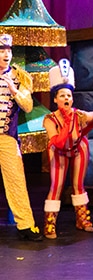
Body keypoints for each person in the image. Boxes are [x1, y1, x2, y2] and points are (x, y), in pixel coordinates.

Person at [42, 59, 93, 239]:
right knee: (57, 185)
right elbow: (58, 142)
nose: (66, 98)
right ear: (55, 99)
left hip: (78, 148)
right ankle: (50, 222)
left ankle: (81, 219)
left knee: (78, 184)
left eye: (69, 95)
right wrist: (67, 123)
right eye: (62, 95)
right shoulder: (49, 119)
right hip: (58, 150)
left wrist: (88, 116)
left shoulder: (78, 114)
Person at [0, 34, 43, 241]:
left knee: (16, 180)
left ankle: (26, 225)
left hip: (7, 138)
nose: (6, 54)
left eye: (8, 50)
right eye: (1, 50)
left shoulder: (21, 76)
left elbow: (27, 105)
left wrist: (13, 89)